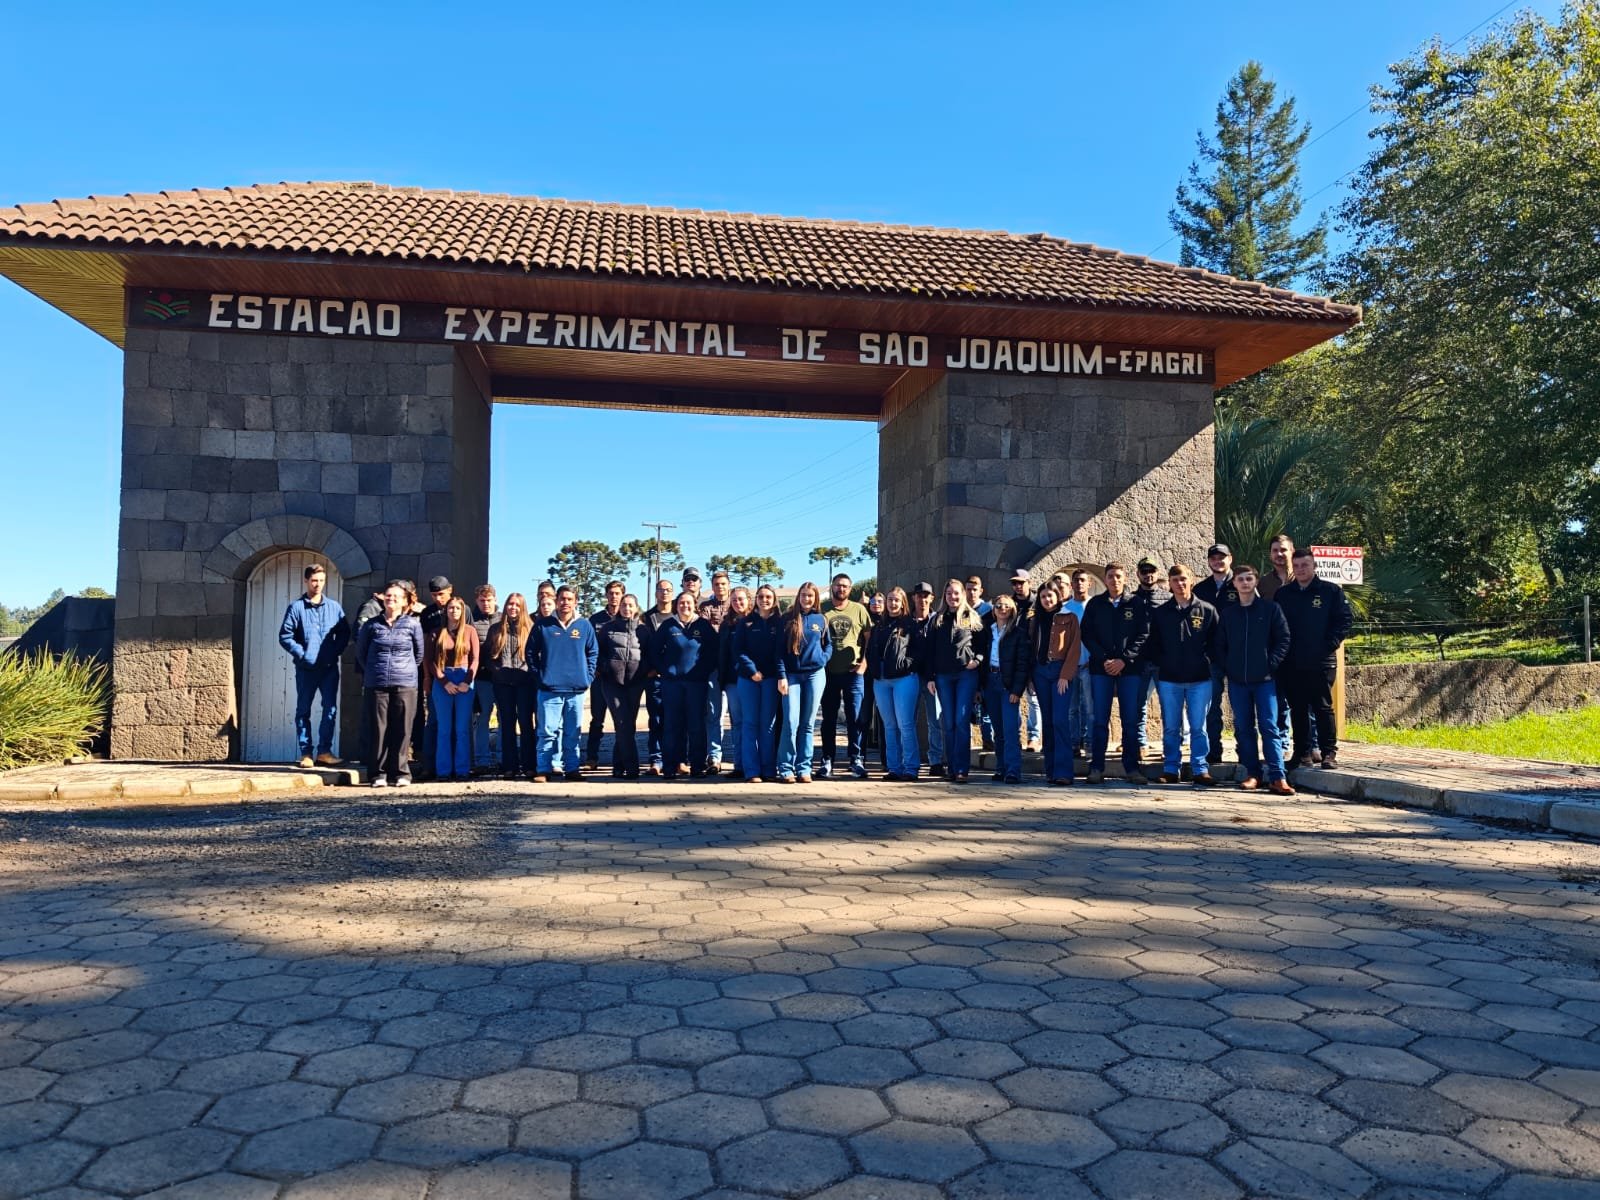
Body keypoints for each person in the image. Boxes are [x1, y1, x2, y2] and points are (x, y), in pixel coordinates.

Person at [1215, 564, 1294, 795]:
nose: (1245, 583)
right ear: (1234, 584)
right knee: (1244, 728)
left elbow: (1283, 639)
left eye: (1249, 578)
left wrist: (1271, 664)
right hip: (1238, 681)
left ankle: (1278, 776)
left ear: (1256, 581)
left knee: (1269, 727)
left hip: (1265, 680)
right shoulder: (1228, 614)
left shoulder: (1271, 609)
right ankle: (1253, 774)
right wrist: (1229, 666)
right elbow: (1219, 645)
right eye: (1240, 579)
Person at [1275, 547, 1354, 771]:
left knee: (1322, 707)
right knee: (1298, 708)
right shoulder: (1284, 594)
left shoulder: (1330, 591)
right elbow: (1277, 626)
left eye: (1305, 565)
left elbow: (1344, 620)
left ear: (1314, 566)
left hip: (1321, 661)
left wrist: (1329, 644)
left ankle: (1329, 753)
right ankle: (1302, 753)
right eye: (1297, 565)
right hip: (1292, 662)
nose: (1301, 569)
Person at [1146, 565, 1220, 786]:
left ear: (1191, 580)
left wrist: (1208, 660)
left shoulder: (1207, 610)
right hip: (1169, 679)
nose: (1180, 583)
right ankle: (1171, 768)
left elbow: (1217, 642)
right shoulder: (1161, 613)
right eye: (1175, 580)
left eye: (1183, 579)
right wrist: (1163, 662)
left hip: (1200, 679)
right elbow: (1153, 643)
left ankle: (1200, 769)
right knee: (1171, 727)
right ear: (1169, 584)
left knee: (1198, 727)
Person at [1082, 562, 1152, 784]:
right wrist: (1104, 659)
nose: (1115, 580)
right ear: (1105, 579)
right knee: (1099, 720)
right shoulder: (1095, 604)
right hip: (1101, 669)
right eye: (1111, 576)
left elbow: (1143, 634)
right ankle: (1096, 767)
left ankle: (1132, 768)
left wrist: (1124, 659)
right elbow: (1087, 635)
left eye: (1118, 576)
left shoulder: (1136, 603)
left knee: (1130, 720)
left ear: (1125, 578)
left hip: (1129, 669)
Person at [278, 562, 349, 767]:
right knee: (303, 710)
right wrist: (303, 655)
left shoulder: (334, 607)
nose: (318, 584)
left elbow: (344, 633)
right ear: (306, 581)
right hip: (306, 669)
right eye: (314, 580)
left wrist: (334, 652)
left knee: (330, 709)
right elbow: (285, 636)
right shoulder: (296, 608)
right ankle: (306, 753)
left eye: (322, 581)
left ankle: (324, 752)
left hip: (329, 668)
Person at [355, 580, 424, 788]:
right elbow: (361, 653)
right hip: (377, 684)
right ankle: (378, 774)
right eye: (388, 595)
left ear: (404, 601)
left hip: (405, 683)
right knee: (378, 729)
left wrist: (403, 670)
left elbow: (418, 654)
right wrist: (375, 671)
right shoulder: (371, 625)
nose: (391, 599)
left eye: (396, 596)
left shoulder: (413, 624)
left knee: (402, 729)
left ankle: (401, 772)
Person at [533, 585, 599, 783]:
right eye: (562, 599)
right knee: (547, 732)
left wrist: (587, 677)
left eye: (570, 599)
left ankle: (572, 769)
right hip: (549, 689)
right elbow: (530, 653)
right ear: (556, 600)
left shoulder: (584, 626)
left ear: (575, 602)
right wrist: (540, 676)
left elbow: (593, 653)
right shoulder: (543, 625)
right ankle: (543, 769)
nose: (565, 603)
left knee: (573, 732)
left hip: (576, 690)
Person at [926, 579, 987, 784]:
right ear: (944, 596)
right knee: (948, 722)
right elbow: (930, 650)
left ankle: (961, 769)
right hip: (943, 676)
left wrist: (977, 661)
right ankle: (951, 767)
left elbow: (982, 646)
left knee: (961, 721)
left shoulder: (972, 617)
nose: (953, 597)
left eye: (956, 593)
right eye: (949, 593)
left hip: (965, 675)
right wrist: (930, 677)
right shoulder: (937, 619)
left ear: (963, 595)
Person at [652, 591, 718, 778]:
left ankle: (697, 766)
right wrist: (665, 671)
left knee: (696, 725)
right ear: (676, 605)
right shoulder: (668, 626)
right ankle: (670, 767)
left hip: (696, 684)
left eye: (688, 603)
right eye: (681, 603)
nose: (685, 606)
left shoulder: (703, 625)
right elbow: (654, 651)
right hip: (672, 684)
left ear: (695, 605)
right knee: (672, 725)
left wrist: (703, 671)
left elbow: (713, 651)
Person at [865, 587, 923, 781]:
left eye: (896, 600)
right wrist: (874, 668)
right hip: (881, 679)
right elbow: (870, 650)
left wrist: (905, 665)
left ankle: (911, 767)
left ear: (903, 602)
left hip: (904, 678)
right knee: (889, 725)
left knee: (905, 724)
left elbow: (919, 652)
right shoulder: (879, 626)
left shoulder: (910, 625)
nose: (892, 603)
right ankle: (894, 767)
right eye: (890, 599)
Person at [776, 582, 831, 784]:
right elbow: (779, 651)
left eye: (810, 596)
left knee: (808, 724)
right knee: (791, 722)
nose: (806, 599)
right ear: (798, 596)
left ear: (815, 598)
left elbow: (829, 644)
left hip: (815, 675)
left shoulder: (821, 619)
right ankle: (785, 768)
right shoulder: (787, 619)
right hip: (791, 676)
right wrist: (782, 675)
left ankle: (804, 767)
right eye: (803, 595)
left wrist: (823, 658)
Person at [819, 573, 872, 779]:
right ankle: (827, 760)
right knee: (828, 719)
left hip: (853, 673)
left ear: (850, 589)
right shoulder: (822, 609)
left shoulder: (859, 610)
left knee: (855, 718)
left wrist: (864, 662)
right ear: (832, 586)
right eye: (838, 585)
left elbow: (868, 637)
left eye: (845, 586)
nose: (841, 589)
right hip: (828, 672)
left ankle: (856, 759)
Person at [1029, 582, 1083, 786]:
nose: (1047, 600)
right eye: (1043, 596)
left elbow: (1074, 648)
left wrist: (1065, 675)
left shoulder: (1069, 617)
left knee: (1060, 720)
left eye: (1050, 595)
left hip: (1060, 671)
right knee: (1048, 721)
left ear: (1058, 596)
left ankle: (1064, 772)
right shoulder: (1034, 620)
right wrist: (1030, 678)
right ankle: (1050, 770)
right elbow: (1030, 648)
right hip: (1040, 672)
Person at [733, 584, 785, 782]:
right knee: (750, 723)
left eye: (768, 597)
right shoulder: (745, 622)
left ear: (774, 599)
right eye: (761, 596)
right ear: (755, 599)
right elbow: (738, 650)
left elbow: (781, 651)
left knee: (768, 725)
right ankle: (752, 771)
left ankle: (768, 769)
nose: (764, 600)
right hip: (748, 679)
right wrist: (752, 671)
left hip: (771, 679)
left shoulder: (780, 623)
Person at [1193, 545, 1238, 765]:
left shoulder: (1241, 583)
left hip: (1238, 656)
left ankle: (1245, 752)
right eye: (1213, 558)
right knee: (1212, 708)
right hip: (1211, 657)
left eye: (1222, 557)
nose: (1218, 561)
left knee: (1241, 707)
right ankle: (1214, 751)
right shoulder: (1201, 589)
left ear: (1230, 559)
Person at [427, 595, 479, 781]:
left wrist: (467, 681)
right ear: (445, 611)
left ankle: (462, 770)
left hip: (464, 678)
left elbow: (475, 659)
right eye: (451, 608)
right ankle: (443, 771)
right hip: (443, 679)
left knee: (462, 728)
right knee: (444, 729)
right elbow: (430, 661)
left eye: (458, 608)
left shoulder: (470, 631)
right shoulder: (437, 632)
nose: (454, 611)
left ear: (463, 611)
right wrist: (444, 682)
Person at [486, 592, 538, 779]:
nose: (513, 608)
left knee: (526, 723)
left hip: (525, 684)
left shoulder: (531, 628)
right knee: (507, 724)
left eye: (517, 604)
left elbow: (537, 655)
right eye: (510, 604)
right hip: (503, 684)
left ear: (522, 607)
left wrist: (530, 673)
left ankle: (529, 765)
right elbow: (488, 656)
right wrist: (497, 671)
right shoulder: (496, 629)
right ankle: (510, 766)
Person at [597, 594, 647, 779]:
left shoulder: (643, 630)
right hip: (612, 683)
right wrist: (604, 668)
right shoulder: (608, 628)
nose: (627, 608)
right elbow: (597, 651)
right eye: (624, 605)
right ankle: (632, 768)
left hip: (635, 683)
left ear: (636, 607)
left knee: (627, 725)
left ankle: (618, 767)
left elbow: (649, 653)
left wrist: (645, 670)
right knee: (623, 723)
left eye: (630, 605)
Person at [983, 593, 1029, 784]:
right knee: (998, 730)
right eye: (999, 606)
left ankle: (1013, 770)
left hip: (1008, 683)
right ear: (993, 610)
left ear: (1013, 610)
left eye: (1006, 606)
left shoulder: (1018, 633)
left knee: (1010, 730)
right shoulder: (987, 630)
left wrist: (1017, 690)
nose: (1002, 609)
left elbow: (1022, 664)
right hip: (990, 681)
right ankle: (1000, 767)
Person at [414, 575, 453, 780]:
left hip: (458, 673)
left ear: (450, 590)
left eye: (442, 594)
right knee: (434, 721)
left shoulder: (460, 608)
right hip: (435, 673)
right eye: (434, 595)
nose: (439, 598)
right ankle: (429, 765)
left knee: (457, 723)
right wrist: (427, 677)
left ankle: (455, 765)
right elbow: (424, 650)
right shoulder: (427, 614)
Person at [585, 580, 625, 770]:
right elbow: (588, 646)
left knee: (621, 720)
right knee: (597, 719)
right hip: (600, 677)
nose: (614, 597)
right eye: (611, 593)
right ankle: (591, 757)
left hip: (621, 678)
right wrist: (593, 668)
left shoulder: (628, 617)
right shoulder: (595, 619)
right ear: (606, 595)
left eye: (617, 593)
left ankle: (621, 757)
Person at [1132, 559, 1168, 762]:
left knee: (1168, 706)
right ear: (1138, 574)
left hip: (1163, 661)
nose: (1148, 574)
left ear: (1157, 572)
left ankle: (1169, 746)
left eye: (1152, 570)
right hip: (1138, 661)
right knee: (1138, 705)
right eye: (1144, 571)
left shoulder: (1167, 598)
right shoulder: (1131, 599)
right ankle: (1140, 743)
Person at [908, 581, 945, 776]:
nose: (922, 599)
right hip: (910, 677)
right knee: (909, 721)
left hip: (932, 677)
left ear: (932, 598)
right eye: (919, 596)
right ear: (913, 598)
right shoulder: (906, 621)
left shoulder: (938, 620)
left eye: (926, 596)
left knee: (935, 720)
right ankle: (910, 760)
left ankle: (936, 761)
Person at [641, 578, 676, 775]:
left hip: (676, 676)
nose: (665, 593)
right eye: (661, 590)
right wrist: (652, 668)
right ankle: (656, 760)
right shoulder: (647, 618)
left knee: (677, 719)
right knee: (656, 719)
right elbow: (643, 646)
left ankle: (678, 759)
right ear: (656, 593)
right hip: (655, 676)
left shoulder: (679, 614)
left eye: (668, 589)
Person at [717, 586, 753, 779]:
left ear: (748, 600)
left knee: (752, 722)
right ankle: (739, 765)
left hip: (754, 679)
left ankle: (754, 764)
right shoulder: (727, 625)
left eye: (741, 599)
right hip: (732, 681)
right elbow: (722, 653)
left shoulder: (757, 621)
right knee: (737, 723)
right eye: (734, 600)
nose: (738, 603)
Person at [702, 571, 734, 774]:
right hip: (713, 667)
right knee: (714, 714)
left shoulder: (737, 604)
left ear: (728, 585)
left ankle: (741, 756)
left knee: (738, 716)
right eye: (716, 584)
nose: (720, 587)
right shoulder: (706, 607)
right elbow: (705, 632)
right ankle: (714, 757)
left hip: (734, 668)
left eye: (723, 583)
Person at [1008, 570, 1042, 752]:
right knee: (1013, 698)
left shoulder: (1037, 603)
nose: (1017, 586)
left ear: (1029, 582)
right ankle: (1016, 735)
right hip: (1013, 657)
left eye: (1021, 583)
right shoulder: (1009, 603)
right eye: (1014, 583)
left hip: (1032, 655)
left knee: (1033, 698)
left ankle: (1034, 737)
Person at [469, 585, 500, 772]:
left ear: (495, 600)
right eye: (482, 600)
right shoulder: (471, 621)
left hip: (503, 677)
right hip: (481, 678)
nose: (486, 603)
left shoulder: (503, 619)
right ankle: (482, 760)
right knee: (482, 719)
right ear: (477, 601)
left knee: (505, 718)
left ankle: (503, 757)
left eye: (489, 600)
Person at [1065, 570, 1095, 759]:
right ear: (1072, 584)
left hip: (1090, 665)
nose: (1079, 583)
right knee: (1072, 709)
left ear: (1089, 583)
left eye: (1083, 580)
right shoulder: (1065, 608)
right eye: (1076, 580)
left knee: (1091, 709)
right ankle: (1074, 744)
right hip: (1070, 666)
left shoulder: (1095, 605)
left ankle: (1090, 743)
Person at [965, 575, 996, 752]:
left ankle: (987, 738)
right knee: (967, 704)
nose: (971, 593)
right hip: (966, 662)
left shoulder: (989, 611)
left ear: (981, 591)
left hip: (985, 661)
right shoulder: (961, 609)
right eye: (968, 589)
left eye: (974, 589)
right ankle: (967, 741)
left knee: (985, 703)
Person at [860, 591, 886, 753]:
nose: (876, 604)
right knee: (863, 716)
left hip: (883, 673)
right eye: (873, 601)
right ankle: (859, 755)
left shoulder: (887, 622)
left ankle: (886, 757)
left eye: (879, 601)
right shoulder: (864, 620)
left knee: (884, 718)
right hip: (865, 674)